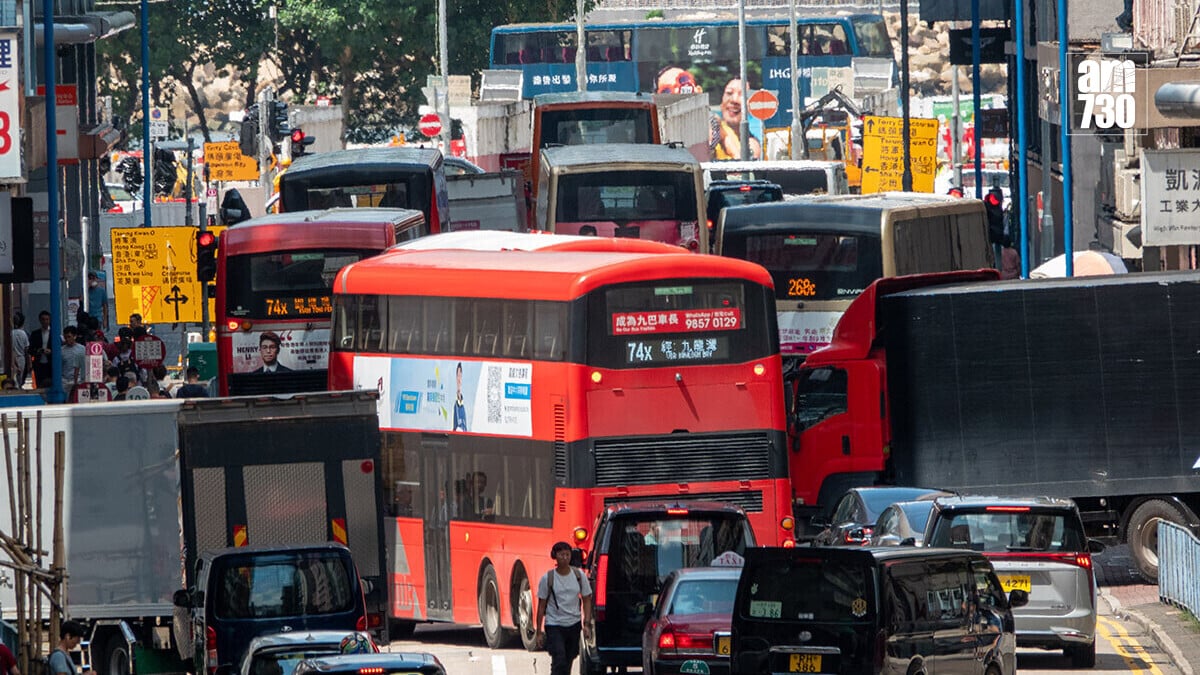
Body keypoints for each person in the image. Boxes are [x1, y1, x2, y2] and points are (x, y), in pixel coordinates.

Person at [536, 541, 593, 675]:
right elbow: (541, 605)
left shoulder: (579, 576)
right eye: (561, 555)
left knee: (568, 659)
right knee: (559, 658)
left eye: (567, 554)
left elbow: (586, 599)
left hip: (573, 624)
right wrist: (538, 631)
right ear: (555, 556)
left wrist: (587, 624)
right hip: (554, 624)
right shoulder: (548, 578)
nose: (565, 558)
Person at [710, 78, 762, 161]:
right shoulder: (711, 127)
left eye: (742, 95)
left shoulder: (752, 144)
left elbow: (743, 170)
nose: (734, 100)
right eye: (729, 93)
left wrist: (725, 139)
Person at [28, 310, 53, 387]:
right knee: (39, 383)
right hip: (38, 363)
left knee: (51, 383)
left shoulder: (54, 333)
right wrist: (38, 351)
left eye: (47, 319)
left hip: (51, 363)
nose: (45, 321)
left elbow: (59, 348)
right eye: (43, 319)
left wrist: (51, 351)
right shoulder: (35, 334)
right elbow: (30, 349)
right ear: (40, 320)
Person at [59, 326, 87, 391]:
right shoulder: (61, 350)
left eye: (69, 337)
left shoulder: (82, 349)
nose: (67, 339)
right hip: (65, 381)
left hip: (79, 380)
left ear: (74, 336)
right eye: (65, 337)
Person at [10, 311, 29, 388]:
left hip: (12, 358)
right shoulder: (23, 333)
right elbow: (26, 349)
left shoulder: (11, 333)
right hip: (21, 358)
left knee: (13, 377)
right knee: (20, 378)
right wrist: (29, 362)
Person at [452, 362, 467, 431]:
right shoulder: (457, 408)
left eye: (460, 375)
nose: (459, 379)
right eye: (458, 375)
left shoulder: (461, 408)